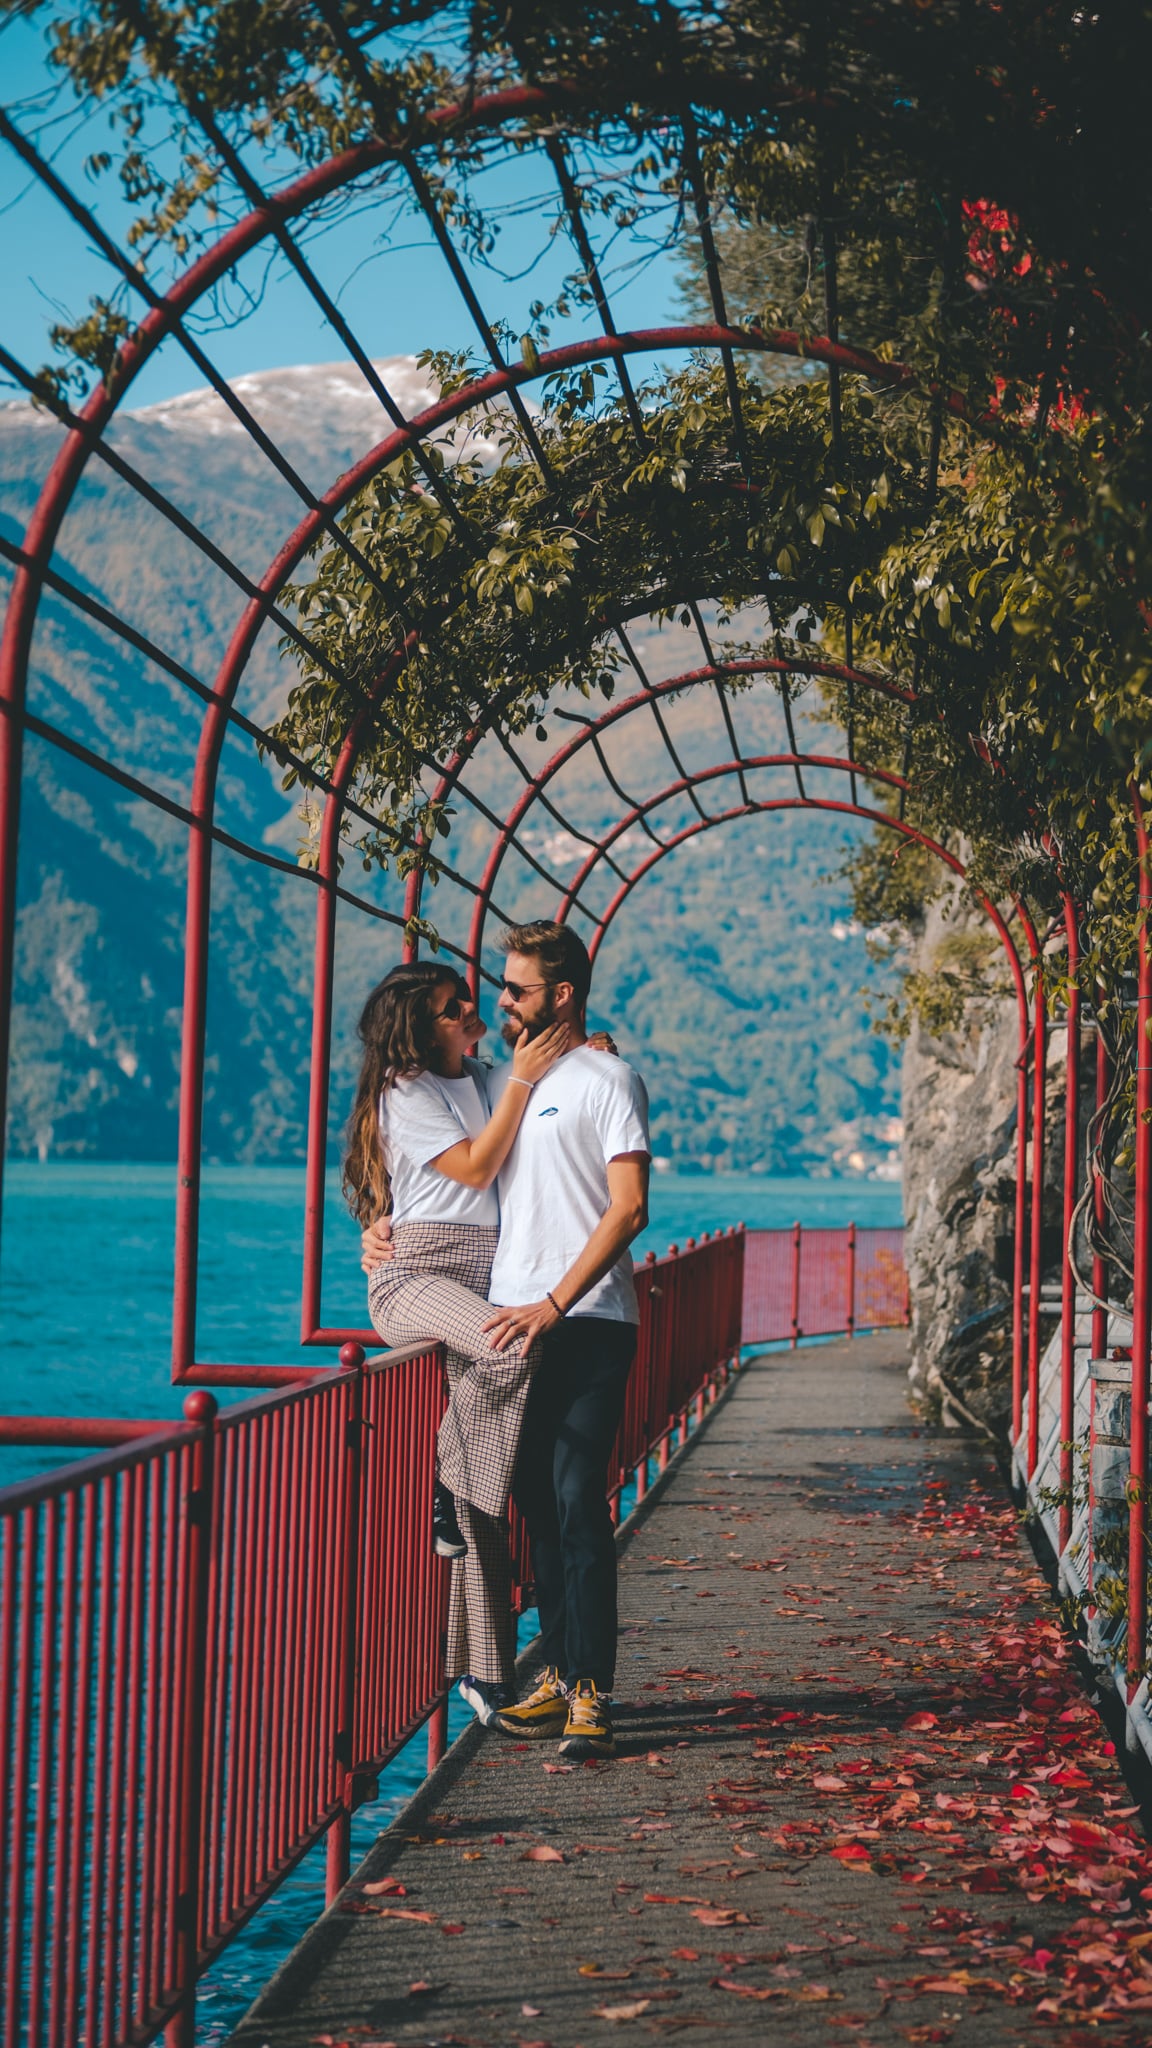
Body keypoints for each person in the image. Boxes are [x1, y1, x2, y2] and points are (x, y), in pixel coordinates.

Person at [362, 921, 651, 1761]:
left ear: (560, 995)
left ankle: (592, 1689)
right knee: (534, 1500)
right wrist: (378, 1230)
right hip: (512, 1314)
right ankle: (557, 1674)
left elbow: (629, 1209)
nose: (496, 1005)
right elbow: (436, 1177)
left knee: (572, 1498)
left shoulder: (592, 1078)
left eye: (513, 991)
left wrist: (558, 1303)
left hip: (580, 1317)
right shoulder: (489, 1083)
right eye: (484, 997)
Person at [345, 961, 568, 1726]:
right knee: (511, 1349)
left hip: (482, 1272)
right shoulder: (405, 1091)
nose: (469, 1009)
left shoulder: (478, 1077)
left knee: (483, 1506)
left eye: (466, 998)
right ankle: (446, 1479)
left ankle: (484, 1675)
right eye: (449, 1008)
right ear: (416, 1029)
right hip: (414, 1278)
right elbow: (474, 1170)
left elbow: (532, 1108)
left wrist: (572, 1056)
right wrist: (523, 1081)